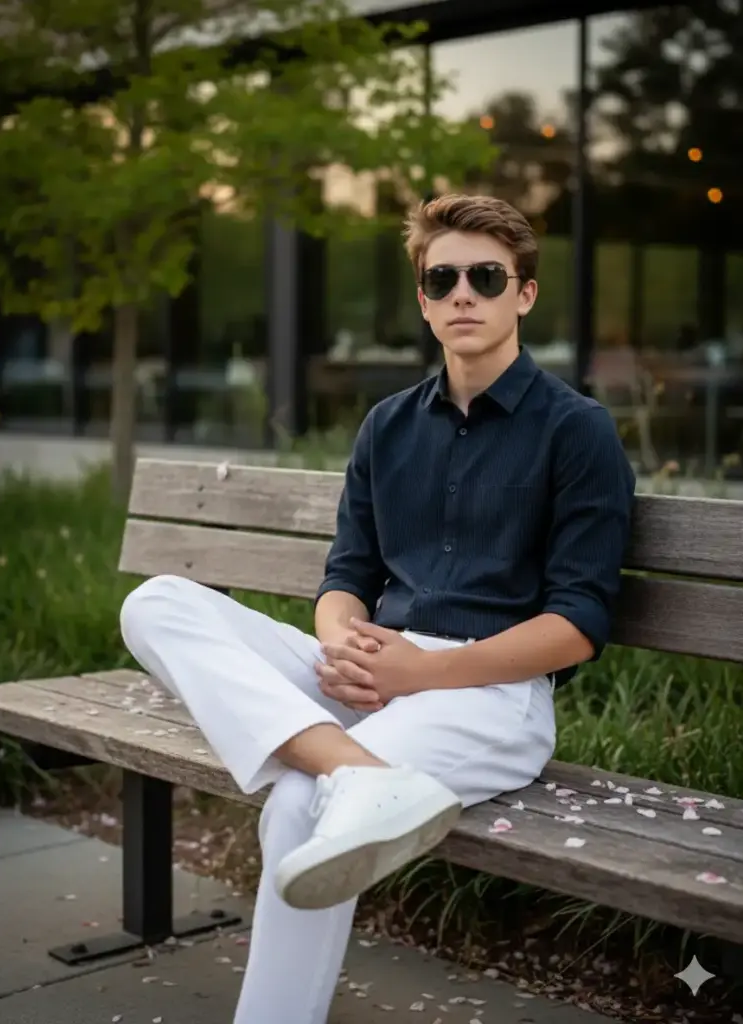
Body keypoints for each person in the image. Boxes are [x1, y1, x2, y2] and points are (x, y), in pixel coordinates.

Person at [120, 193, 636, 1024]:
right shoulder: (386, 427)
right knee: (158, 602)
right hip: (372, 676)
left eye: (485, 276)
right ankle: (364, 777)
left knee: (297, 803)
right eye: (442, 278)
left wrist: (423, 671)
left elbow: (577, 626)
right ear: (424, 299)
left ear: (523, 294)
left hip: (487, 694)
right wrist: (345, 646)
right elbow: (346, 574)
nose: (462, 293)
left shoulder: (576, 431)